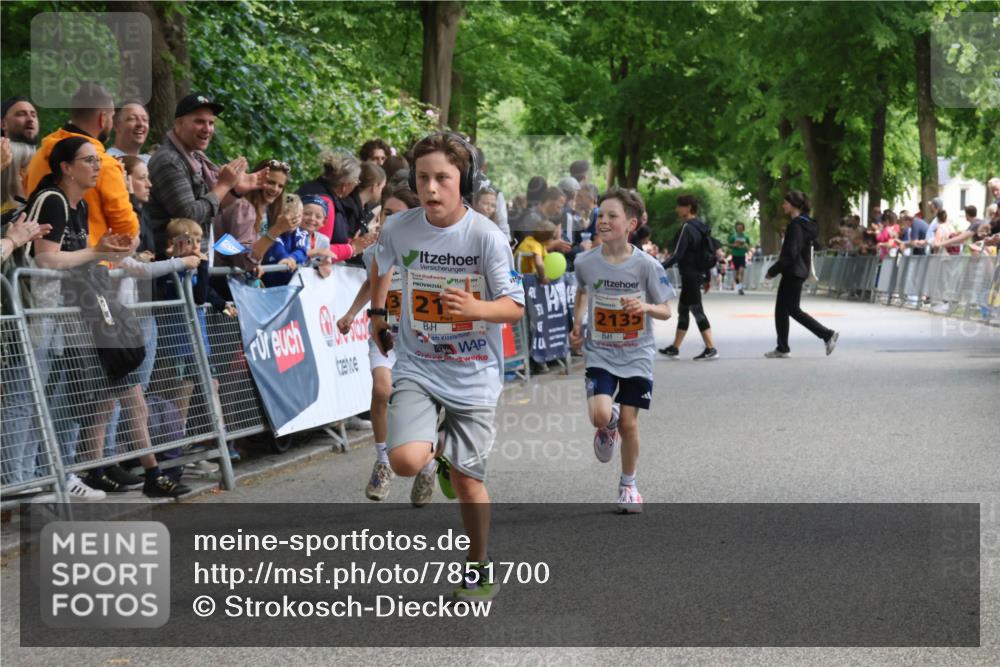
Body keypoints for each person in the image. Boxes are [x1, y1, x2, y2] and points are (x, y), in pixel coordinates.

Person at [369, 133, 525, 601]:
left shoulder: (486, 237)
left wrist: (476, 309)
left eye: (443, 178)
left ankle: (478, 567)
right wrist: (379, 315)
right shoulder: (400, 228)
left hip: (474, 371)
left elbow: (514, 306)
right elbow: (382, 265)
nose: (431, 188)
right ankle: (434, 452)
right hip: (419, 362)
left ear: (464, 181)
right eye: (423, 178)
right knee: (402, 461)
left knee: (467, 481)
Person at [27, 136, 133, 499]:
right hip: (39, 315)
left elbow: (79, 258)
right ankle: (22, 481)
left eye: (97, 160)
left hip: (69, 316)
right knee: (28, 400)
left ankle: (54, 474)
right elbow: (46, 259)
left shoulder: (82, 206)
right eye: (88, 160)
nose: (96, 166)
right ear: (66, 168)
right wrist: (95, 252)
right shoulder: (52, 200)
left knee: (59, 399)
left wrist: (110, 256)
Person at [569, 187, 674, 513]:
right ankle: (607, 424)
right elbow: (582, 294)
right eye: (601, 214)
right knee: (600, 414)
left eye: (612, 216)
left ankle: (628, 486)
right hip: (600, 349)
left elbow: (666, 310)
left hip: (637, 353)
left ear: (630, 224)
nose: (604, 221)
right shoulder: (586, 261)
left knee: (630, 424)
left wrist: (643, 306)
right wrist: (577, 324)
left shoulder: (646, 265)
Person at [337, 187, 427, 504]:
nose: (389, 218)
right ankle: (383, 462)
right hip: (383, 331)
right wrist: (351, 313)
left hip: (420, 337)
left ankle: (427, 467)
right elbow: (370, 282)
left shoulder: (429, 248)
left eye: (397, 213)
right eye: (386, 212)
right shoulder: (375, 250)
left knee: (421, 406)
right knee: (381, 390)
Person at [146, 92, 267, 257]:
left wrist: (234, 190)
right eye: (199, 122)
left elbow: (209, 208)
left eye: (211, 123)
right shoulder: (170, 160)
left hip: (190, 262)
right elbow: (189, 216)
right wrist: (223, 185)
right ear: (179, 124)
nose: (207, 129)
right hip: (170, 267)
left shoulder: (194, 157)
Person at [26, 82, 140, 244]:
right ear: (103, 118)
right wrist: (130, 196)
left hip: (37, 258)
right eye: (112, 117)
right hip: (90, 262)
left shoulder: (39, 155)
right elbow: (127, 231)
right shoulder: (104, 165)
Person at [764, 191, 838, 358]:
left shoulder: (796, 226)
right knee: (782, 309)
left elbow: (790, 253)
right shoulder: (807, 224)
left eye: (785, 203)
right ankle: (782, 347)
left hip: (793, 271)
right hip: (798, 271)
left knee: (793, 310)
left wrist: (773, 271)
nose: (783, 205)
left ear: (794, 205)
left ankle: (827, 334)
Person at [659, 194, 719, 361]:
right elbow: (706, 253)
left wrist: (659, 267)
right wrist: (706, 277)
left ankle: (711, 347)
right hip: (697, 274)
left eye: (679, 206)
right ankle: (675, 348)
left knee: (697, 311)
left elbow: (678, 254)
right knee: (683, 310)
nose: (677, 209)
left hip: (690, 275)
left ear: (688, 208)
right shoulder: (702, 227)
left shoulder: (687, 227)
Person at [215, 158, 290, 268]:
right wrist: (276, 230)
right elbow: (242, 260)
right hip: (222, 278)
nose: (275, 189)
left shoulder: (267, 211)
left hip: (241, 279)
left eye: (280, 186)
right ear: (259, 178)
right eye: (271, 182)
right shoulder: (243, 207)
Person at [297, 151, 361, 245]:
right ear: (345, 185)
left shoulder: (311, 187)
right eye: (356, 181)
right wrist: (351, 249)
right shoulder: (325, 202)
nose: (356, 185)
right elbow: (320, 249)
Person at [728, 222, 750, 294]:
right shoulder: (733, 236)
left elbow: (748, 246)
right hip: (735, 256)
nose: (739, 229)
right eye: (738, 227)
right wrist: (734, 245)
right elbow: (729, 245)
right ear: (736, 228)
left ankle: (740, 288)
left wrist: (746, 247)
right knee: (736, 274)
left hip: (742, 256)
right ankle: (738, 286)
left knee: (741, 271)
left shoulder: (746, 237)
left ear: (743, 228)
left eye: (741, 227)